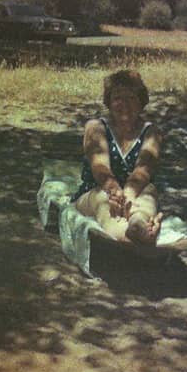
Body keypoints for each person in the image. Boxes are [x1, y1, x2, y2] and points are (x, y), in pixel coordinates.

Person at [73, 69, 164, 245]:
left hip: (135, 193)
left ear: (141, 102)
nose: (124, 104)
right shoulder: (96, 127)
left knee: (149, 193)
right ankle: (128, 235)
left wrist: (127, 196)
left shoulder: (152, 132)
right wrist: (115, 193)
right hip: (97, 191)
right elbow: (100, 169)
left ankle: (139, 225)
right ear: (109, 102)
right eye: (117, 98)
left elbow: (143, 169)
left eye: (131, 98)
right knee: (102, 200)